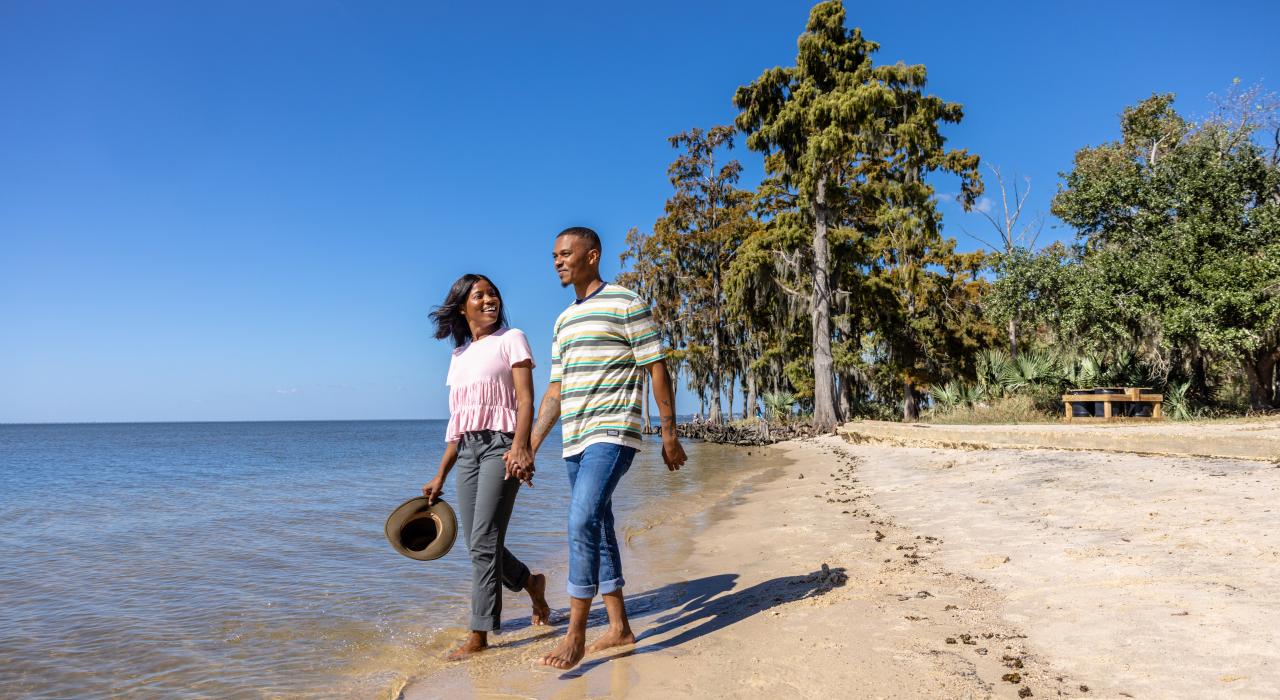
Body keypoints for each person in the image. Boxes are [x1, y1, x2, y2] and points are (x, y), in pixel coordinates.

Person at [531, 227, 687, 670]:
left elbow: (656, 368)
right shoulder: (562, 321)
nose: (558, 261)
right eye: (554, 255)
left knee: (580, 518)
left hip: (614, 432)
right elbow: (556, 391)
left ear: (592, 256)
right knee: (598, 524)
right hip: (574, 440)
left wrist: (668, 433)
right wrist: (529, 445)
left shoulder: (625, 302)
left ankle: (575, 634)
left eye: (566, 253)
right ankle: (619, 627)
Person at [421, 273, 551, 660]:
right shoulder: (458, 356)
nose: (490, 299)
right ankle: (531, 583)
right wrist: (440, 473)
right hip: (468, 452)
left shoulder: (512, 338)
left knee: (482, 542)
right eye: (480, 295)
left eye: (493, 293)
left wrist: (522, 448)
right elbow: (458, 422)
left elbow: (526, 400)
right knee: (478, 542)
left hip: (501, 447)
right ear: (463, 306)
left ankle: (479, 634)